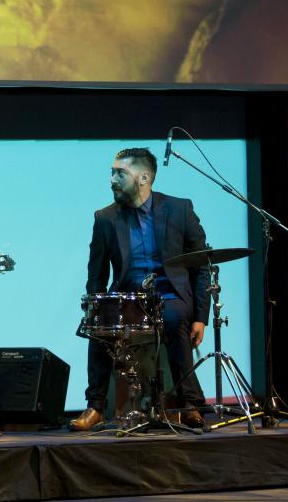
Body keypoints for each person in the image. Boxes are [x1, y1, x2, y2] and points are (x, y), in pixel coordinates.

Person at [70, 148, 210, 431]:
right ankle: (95, 406)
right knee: (98, 320)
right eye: (112, 172)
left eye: (120, 173)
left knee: (172, 318)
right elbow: (96, 273)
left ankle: (191, 403)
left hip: (170, 295)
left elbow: (201, 266)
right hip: (128, 297)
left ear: (144, 177)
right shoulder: (105, 218)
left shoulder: (180, 209)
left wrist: (201, 317)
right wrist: (93, 307)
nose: (112, 179)